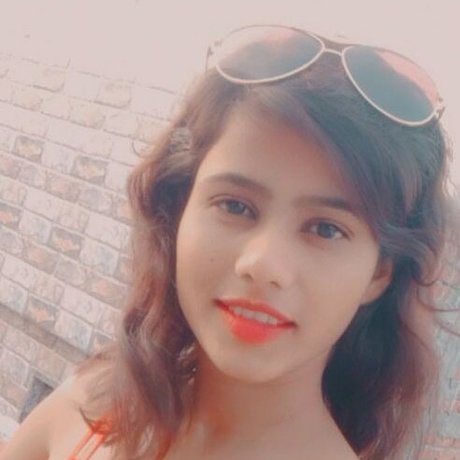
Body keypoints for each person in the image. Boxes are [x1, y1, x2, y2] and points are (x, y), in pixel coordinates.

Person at [1, 24, 457, 460]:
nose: (263, 264)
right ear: (178, 210)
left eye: (326, 229)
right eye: (235, 206)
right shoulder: (91, 405)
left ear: (379, 273)